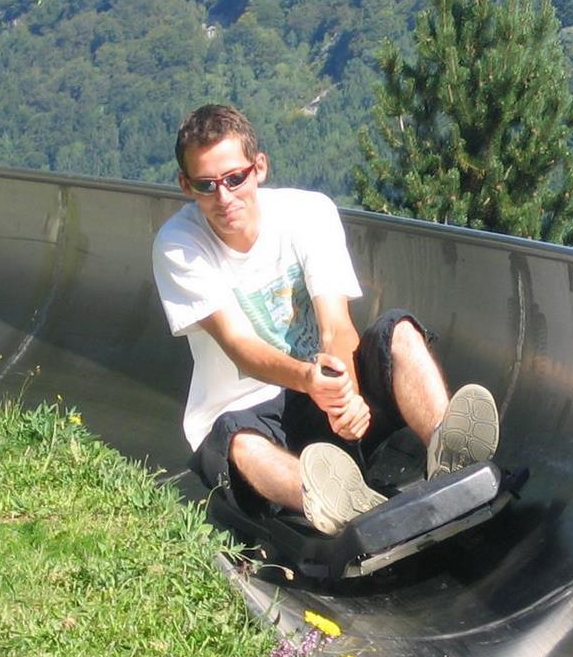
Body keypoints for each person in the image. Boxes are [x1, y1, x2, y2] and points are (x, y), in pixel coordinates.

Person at [151, 104, 499, 534]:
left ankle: (450, 458)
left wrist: (345, 396)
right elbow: (240, 348)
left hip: (327, 388)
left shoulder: (308, 213)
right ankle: (336, 502)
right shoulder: (178, 245)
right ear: (186, 186)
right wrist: (313, 383)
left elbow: (335, 325)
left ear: (258, 168)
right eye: (206, 186)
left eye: (234, 178)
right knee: (239, 442)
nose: (224, 198)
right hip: (250, 409)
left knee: (400, 332)